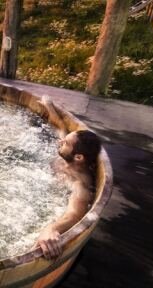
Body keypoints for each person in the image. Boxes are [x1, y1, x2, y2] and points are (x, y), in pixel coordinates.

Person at [34, 95, 102, 260]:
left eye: (65, 143)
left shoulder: (80, 182)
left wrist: (52, 229)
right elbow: (61, 127)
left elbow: (75, 213)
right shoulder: (68, 155)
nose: (61, 141)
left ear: (79, 157)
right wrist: (49, 105)